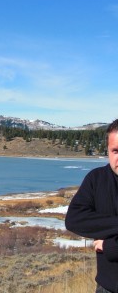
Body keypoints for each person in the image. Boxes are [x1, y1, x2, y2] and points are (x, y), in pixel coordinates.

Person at [65, 118, 118, 293]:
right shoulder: (96, 179)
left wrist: (110, 247)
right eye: (116, 151)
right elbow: (74, 219)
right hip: (107, 287)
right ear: (108, 151)